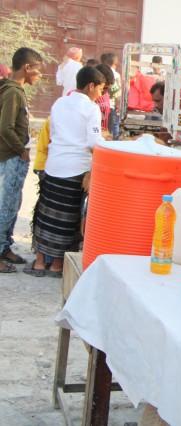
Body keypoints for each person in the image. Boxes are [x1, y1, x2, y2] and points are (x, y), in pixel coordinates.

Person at [27, 66, 106, 277]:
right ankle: (57, 265)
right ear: (91, 86)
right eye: (100, 89)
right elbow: (94, 143)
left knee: (46, 215)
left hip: (53, 166)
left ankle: (40, 262)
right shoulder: (91, 109)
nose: (100, 94)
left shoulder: (59, 103)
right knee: (67, 218)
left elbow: (55, 133)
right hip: (76, 169)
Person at [0, 48, 43, 273]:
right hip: (11, 157)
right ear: (27, 68)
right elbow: (5, 127)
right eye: (37, 70)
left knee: (13, 204)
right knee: (6, 207)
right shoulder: (13, 92)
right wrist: (21, 150)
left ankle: (5, 247)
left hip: (12, 156)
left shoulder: (14, 90)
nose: (39, 75)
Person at [101, 53, 122, 139]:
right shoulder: (115, 75)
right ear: (115, 62)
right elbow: (117, 92)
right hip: (110, 106)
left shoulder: (99, 71)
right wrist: (118, 104)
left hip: (99, 104)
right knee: (111, 130)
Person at [94, 64, 115, 132]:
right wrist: (98, 133)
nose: (105, 91)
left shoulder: (106, 95)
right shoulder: (89, 99)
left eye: (108, 88)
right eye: (104, 88)